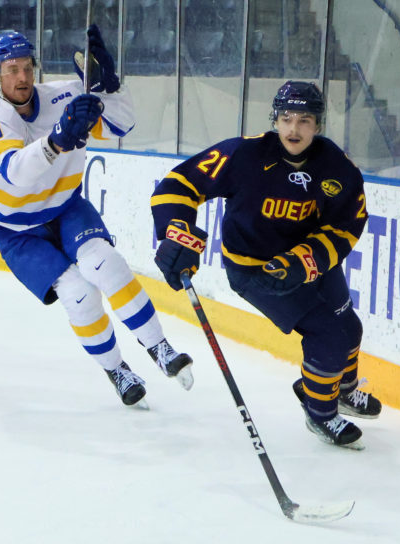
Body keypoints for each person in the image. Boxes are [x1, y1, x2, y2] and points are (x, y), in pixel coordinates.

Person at [150, 81, 381, 448]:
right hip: (254, 271)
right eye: (286, 118)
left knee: (349, 328)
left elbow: (347, 225)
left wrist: (305, 260)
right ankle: (319, 412)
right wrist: (177, 232)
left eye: (305, 120)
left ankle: (339, 389)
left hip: (309, 262)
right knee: (329, 336)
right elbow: (178, 185)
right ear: (274, 119)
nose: (293, 129)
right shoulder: (244, 155)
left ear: (318, 125)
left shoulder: (338, 168)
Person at [0, 28, 193, 408]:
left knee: (106, 264)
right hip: (16, 229)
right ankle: (116, 369)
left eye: (27, 67)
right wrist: (57, 140)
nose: (22, 77)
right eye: (12, 69)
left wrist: (111, 88)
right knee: (78, 294)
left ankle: (159, 347)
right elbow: (17, 171)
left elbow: (122, 125)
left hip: (65, 206)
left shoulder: (64, 95)